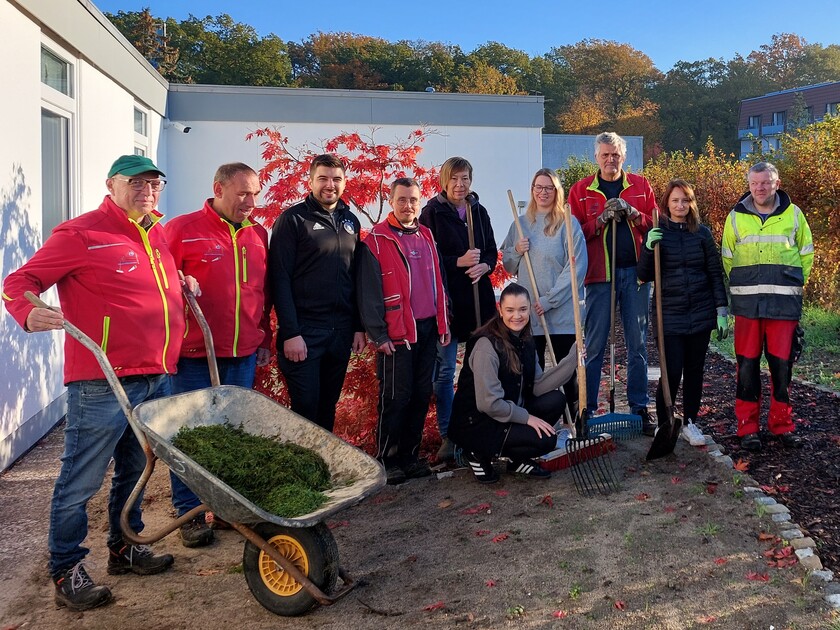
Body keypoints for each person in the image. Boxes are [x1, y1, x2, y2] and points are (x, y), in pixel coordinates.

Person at [2, 155, 183, 612]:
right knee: (81, 480)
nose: (147, 190)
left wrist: (181, 283)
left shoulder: (155, 231)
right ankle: (66, 570)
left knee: (137, 469)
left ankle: (125, 548)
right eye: (136, 182)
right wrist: (27, 312)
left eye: (154, 183)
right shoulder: (81, 233)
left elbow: (148, 289)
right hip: (102, 379)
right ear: (111, 185)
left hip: (155, 374)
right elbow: (17, 281)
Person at [163, 162, 271, 546]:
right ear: (218, 188)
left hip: (242, 352)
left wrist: (264, 339)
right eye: (243, 192)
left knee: (233, 433)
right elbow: (157, 285)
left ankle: (227, 508)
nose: (250, 201)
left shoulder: (258, 234)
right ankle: (189, 511)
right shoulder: (181, 230)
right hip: (194, 353)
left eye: (255, 193)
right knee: (190, 434)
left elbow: (262, 292)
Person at [357, 178, 451, 484]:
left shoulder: (426, 235)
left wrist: (443, 322)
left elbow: (438, 282)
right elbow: (368, 293)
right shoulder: (376, 240)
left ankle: (410, 456)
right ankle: (387, 459)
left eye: (413, 200)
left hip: (427, 330)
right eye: (401, 200)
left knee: (422, 394)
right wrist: (378, 334)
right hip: (396, 334)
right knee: (396, 397)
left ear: (419, 201)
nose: (407, 205)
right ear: (391, 199)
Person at [268, 154, 366, 432]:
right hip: (304, 333)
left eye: (336, 179)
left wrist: (358, 326)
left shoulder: (351, 222)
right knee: (305, 410)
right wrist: (290, 332)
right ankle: (298, 471)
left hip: (340, 333)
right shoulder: (293, 220)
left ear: (345, 182)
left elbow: (354, 276)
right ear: (310, 181)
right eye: (322, 178)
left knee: (327, 407)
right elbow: (280, 279)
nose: (330, 185)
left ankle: (323, 471)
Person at [721, 162, 813, 452]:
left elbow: (806, 255)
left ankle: (782, 425)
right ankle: (747, 428)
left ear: (777, 183)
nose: (760, 188)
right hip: (748, 306)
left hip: (784, 306)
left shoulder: (794, 215)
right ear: (749, 185)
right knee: (747, 368)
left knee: (781, 368)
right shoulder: (735, 217)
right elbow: (727, 258)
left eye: (766, 182)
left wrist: (792, 288)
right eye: (755, 183)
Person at [568, 132, 656, 434]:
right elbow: (574, 233)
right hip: (598, 276)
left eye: (615, 154)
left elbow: (655, 225)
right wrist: (602, 219)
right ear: (596, 157)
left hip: (636, 275)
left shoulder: (641, 187)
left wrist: (633, 214)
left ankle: (639, 407)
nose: (610, 160)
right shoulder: (580, 191)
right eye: (605, 155)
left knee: (638, 344)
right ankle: (587, 410)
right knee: (594, 345)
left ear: (623, 156)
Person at [448, 284, 578, 484]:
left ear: (529, 309)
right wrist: (527, 418)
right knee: (547, 440)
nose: (516, 316)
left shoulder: (525, 339)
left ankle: (517, 460)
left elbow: (537, 385)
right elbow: (488, 404)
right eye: (510, 310)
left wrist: (572, 360)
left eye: (522, 309)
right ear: (500, 309)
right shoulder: (486, 345)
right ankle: (476, 452)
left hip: (506, 412)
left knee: (556, 400)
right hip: (478, 422)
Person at [636, 179, 728, 446]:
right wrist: (648, 248)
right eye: (675, 200)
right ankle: (665, 423)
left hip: (700, 312)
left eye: (685, 200)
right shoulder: (658, 232)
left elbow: (714, 273)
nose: (680, 205)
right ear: (666, 203)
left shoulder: (702, 234)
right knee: (671, 371)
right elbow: (643, 275)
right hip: (670, 315)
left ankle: (690, 422)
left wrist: (721, 309)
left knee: (695, 370)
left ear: (692, 203)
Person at [419, 157, 498, 461]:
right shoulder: (432, 214)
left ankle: (481, 424)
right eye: (454, 179)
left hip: (480, 303)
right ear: (444, 181)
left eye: (465, 178)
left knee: (482, 367)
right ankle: (448, 435)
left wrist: (485, 265)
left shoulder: (479, 211)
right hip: (449, 304)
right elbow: (427, 258)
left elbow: (490, 250)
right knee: (445, 371)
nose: (460, 185)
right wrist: (457, 262)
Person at [501, 167, 587, 421]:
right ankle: (537, 424)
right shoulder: (521, 224)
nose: (543, 192)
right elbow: (507, 265)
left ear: (557, 191)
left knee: (568, 372)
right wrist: (516, 250)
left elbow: (576, 268)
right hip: (529, 317)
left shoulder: (568, 223)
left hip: (561, 313)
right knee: (531, 374)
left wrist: (548, 301)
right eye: (538, 187)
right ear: (532, 190)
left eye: (549, 187)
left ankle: (577, 423)